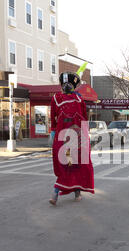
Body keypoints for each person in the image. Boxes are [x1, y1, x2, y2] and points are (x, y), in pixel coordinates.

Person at [49, 71, 95, 205]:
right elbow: (53, 118)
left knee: (77, 165)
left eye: (69, 84)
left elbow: (84, 117)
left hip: (77, 136)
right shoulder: (56, 98)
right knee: (67, 165)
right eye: (65, 84)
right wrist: (52, 132)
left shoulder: (79, 99)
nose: (66, 86)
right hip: (63, 137)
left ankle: (75, 193)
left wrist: (86, 135)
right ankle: (56, 193)